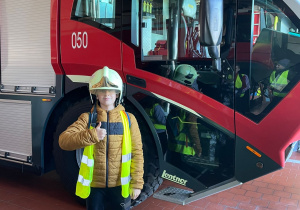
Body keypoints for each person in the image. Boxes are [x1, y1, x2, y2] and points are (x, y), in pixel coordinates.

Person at [59, 66, 144, 210]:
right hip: (94, 189)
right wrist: (92, 135)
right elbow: (64, 141)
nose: (106, 94)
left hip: (120, 187)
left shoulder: (129, 120)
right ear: (96, 95)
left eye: (111, 90)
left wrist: (137, 183)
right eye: (102, 90)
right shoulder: (87, 118)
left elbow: (137, 152)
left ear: (117, 94)